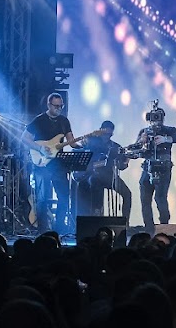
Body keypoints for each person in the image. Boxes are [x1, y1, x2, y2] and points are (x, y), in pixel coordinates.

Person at [23, 92, 76, 233]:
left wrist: (81, 143)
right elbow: (25, 138)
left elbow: (71, 141)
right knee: (42, 198)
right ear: (48, 105)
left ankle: (59, 228)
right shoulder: (39, 120)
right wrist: (39, 148)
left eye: (61, 106)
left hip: (58, 164)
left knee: (64, 196)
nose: (59, 109)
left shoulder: (64, 121)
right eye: (56, 106)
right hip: (42, 164)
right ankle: (43, 230)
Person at [133, 103, 176, 232]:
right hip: (147, 167)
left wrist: (165, 139)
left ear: (163, 118)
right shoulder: (144, 131)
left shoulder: (169, 130)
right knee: (145, 200)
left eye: (158, 117)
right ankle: (149, 229)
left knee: (160, 198)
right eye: (153, 117)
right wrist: (141, 141)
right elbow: (136, 150)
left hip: (163, 168)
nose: (156, 120)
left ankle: (163, 227)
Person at [78, 120, 132, 226]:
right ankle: (96, 215)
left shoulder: (115, 147)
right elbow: (81, 152)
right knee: (94, 183)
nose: (107, 134)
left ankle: (125, 223)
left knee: (127, 193)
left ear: (112, 133)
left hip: (109, 176)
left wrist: (125, 161)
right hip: (92, 175)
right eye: (105, 131)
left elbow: (121, 167)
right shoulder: (91, 141)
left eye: (109, 132)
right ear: (100, 130)